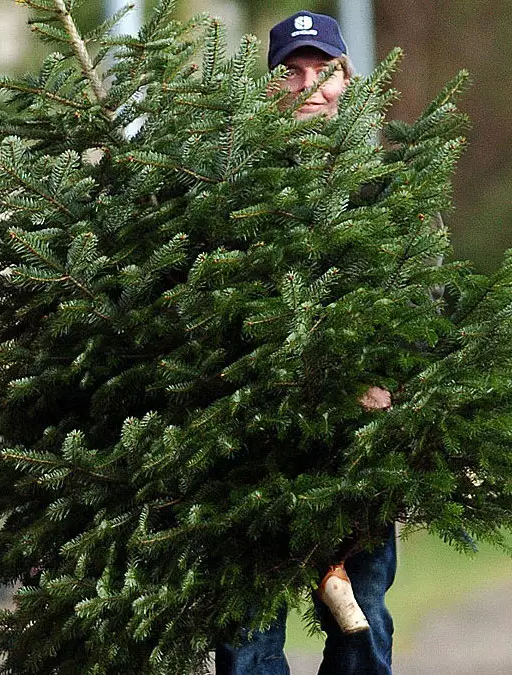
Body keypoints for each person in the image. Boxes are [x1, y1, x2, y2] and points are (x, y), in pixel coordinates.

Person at [214, 11, 397, 675]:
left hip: (356, 452)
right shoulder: (230, 192)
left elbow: (423, 309)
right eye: (291, 72)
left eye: (325, 72)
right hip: (252, 455)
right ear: (268, 88)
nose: (309, 87)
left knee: (362, 618)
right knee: (247, 636)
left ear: (349, 80)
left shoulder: (384, 193)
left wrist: (386, 381)